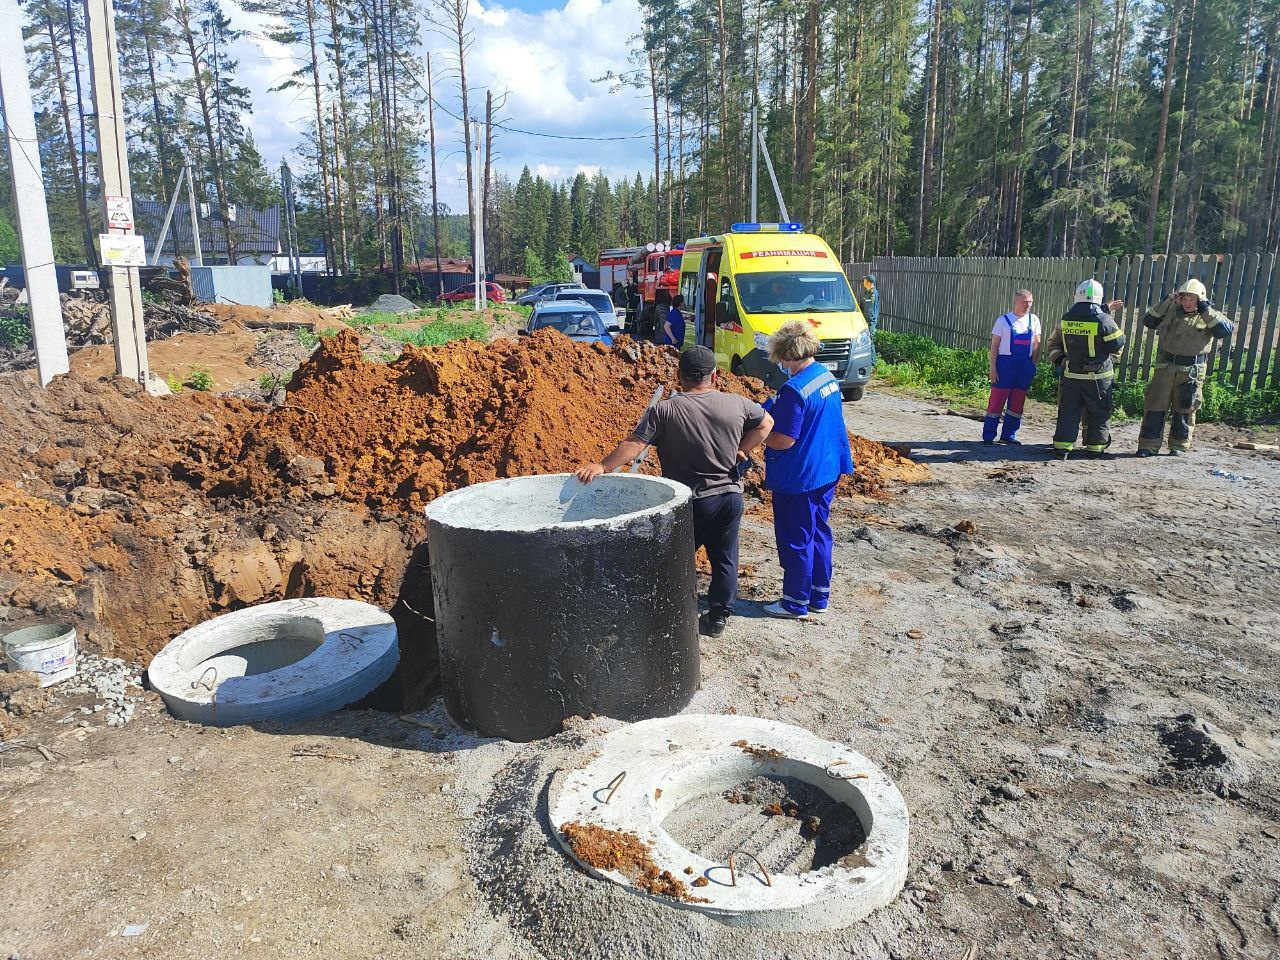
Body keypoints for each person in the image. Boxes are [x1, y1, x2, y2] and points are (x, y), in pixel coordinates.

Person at [574, 346, 773, 638]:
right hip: (731, 496)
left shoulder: (665, 409)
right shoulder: (738, 404)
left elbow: (636, 444)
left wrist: (603, 465)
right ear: (714, 376)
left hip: (694, 501)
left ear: (680, 377)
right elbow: (767, 423)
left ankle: (671, 611)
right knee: (725, 557)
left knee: (674, 558)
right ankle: (717, 617)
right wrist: (741, 449)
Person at [760, 321, 855, 620]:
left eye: (780, 360)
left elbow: (785, 439)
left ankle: (794, 602)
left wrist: (757, 436)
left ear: (788, 356)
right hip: (827, 467)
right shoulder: (825, 376)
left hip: (800, 475)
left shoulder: (795, 389)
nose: (780, 366)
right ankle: (818, 596)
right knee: (819, 531)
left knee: (796, 536)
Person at [1136, 279, 1233, 457]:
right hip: (1165, 366)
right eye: (1185, 299)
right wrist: (1167, 300)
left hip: (1192, 370)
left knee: (1185, 408)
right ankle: (1148, 446)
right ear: (1179, 298)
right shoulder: (1169, 309)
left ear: (1201, 300)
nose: (1188, 303)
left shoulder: (1209, 315)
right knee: (1155, 406)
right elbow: (1149, 321)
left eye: (1193, 300)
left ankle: (1178, 446)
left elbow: (1225, 330)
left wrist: (1205, 310)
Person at [1044, 279, 1126, 460]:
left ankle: (1063, 448)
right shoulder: (1104, 320)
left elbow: (1053, 344)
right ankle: (1095, 448)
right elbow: (1118, 342)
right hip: (1098, 378)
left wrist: (1062, 362)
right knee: (1099, 413)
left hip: (1071, 376)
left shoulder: (1066, 319)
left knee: (1068, 411)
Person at [982, 289, 1041, 445]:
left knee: (1017, 403)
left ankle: (1008, 435)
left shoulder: (1034, 320)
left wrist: (1032, 365)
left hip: (1024, 367)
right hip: (1005, 366)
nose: (1028, 305)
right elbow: (994, 346)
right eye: (1024, 302)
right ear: (1016, 302)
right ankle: (988, 436)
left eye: (1030, 302)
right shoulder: (1003, 320)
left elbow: (1037, 344)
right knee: (997, 400)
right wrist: (993, 368)